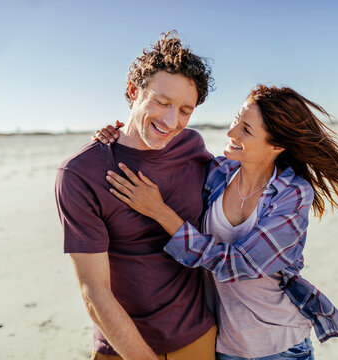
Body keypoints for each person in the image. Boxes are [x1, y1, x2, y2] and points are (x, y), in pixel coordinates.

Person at [97, 85, 338, 359]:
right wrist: (120, 135)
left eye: (246, 130)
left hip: (279, 345)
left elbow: (240, 264)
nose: (231, 132)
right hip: (224, 346)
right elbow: (161, 155)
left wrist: (160, 212)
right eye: (237, 119)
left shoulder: (293, 193)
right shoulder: (217, 172)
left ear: (275, 145)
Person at [55, 31, 217, 360]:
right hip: (123, 348)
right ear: (133, 92)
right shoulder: (79, 174)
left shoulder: (193, 146)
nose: (172, 122)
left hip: (198, 335)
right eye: (162, 102)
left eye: (185, 110)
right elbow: (93, 291)